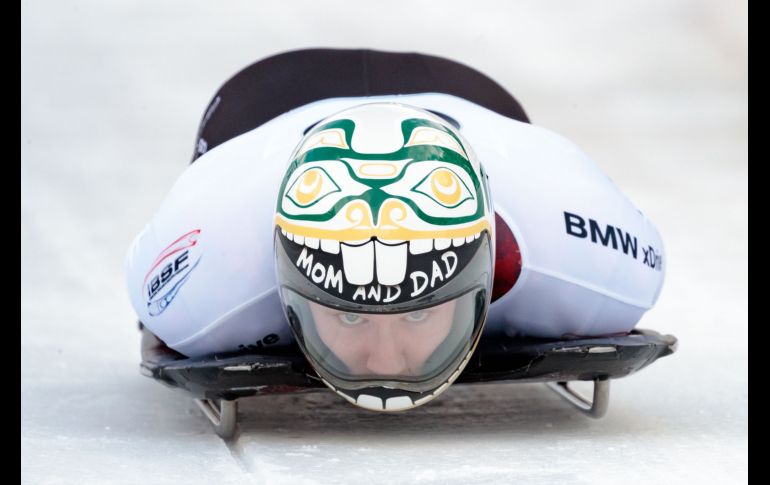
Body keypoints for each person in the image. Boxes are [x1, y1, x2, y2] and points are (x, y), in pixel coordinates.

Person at [125, 49, 665, 411]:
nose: (385, 364)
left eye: (422, 311)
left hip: (486, 119)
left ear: (484, 272)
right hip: (261, 114)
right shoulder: (205, 282)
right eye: (350, 314)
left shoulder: (576, 247)